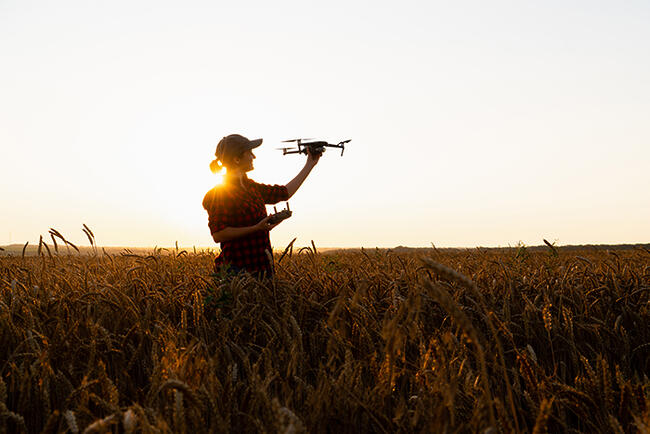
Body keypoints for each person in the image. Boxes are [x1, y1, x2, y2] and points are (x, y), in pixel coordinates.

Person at [202, 134, 320, 278]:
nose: (254, 157)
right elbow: (218, 234)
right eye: (250, 153)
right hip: (235, 273)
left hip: (262, 268)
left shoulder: (252, 187)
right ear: (237, 159)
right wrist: (256, 228)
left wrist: (310, 164)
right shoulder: (219, 194)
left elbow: (284, 193)